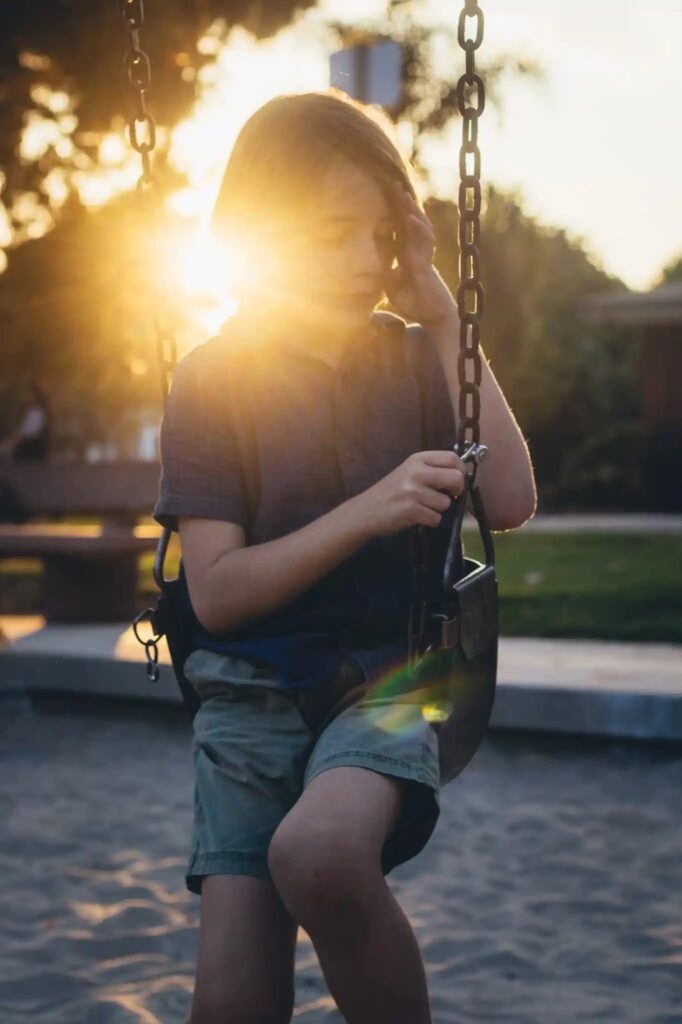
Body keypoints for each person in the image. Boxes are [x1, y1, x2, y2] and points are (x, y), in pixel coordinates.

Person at [153, 90, 536, 1024]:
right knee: (231, 1003)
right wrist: (366, 512)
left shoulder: (413, 360)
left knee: (317, 856)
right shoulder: (213, 379)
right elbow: (220, 593)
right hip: (247, 692)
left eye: (383, 235)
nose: (367, 260)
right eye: (335, 233)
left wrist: (445, 323)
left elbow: (514, 502)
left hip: (397, 680)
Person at [0, 381, 52, 523]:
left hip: (30, 461)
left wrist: (5, 447)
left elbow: (23, 435)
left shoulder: (36, 412)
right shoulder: (36, 411)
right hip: (30, 462)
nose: (25, 397)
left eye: (28, 393)